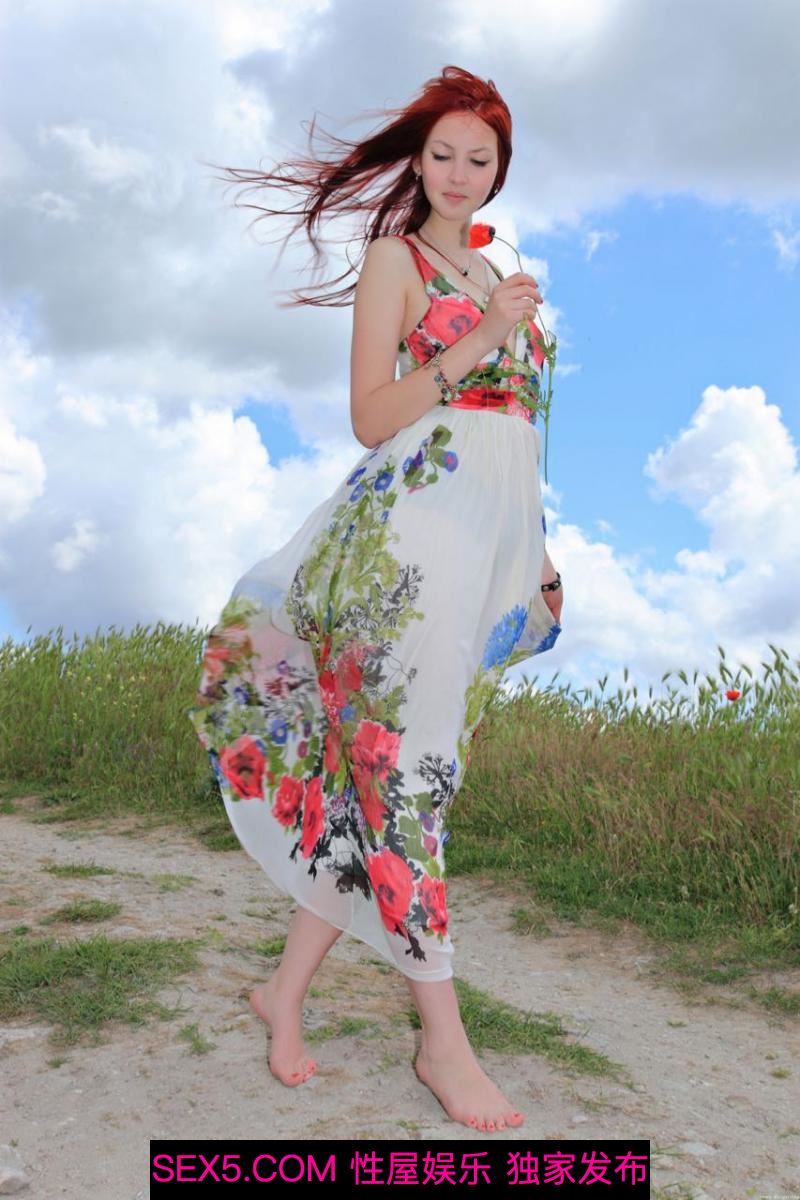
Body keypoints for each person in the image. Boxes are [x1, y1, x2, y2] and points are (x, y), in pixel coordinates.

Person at [188, 65, 564, 1134]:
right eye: (442, 153)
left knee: (388, 778)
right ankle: (442, 1043)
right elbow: (369, 415)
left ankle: (284, 994)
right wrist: (481, 336)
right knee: (409, 778)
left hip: (485, 552)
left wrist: (538, 554)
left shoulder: (506, 272)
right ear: (418, 160)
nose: (458, 172)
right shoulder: (394, 260)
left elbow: (524, 428)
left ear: (499, 173)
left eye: (479, 159)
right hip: (403, 548)